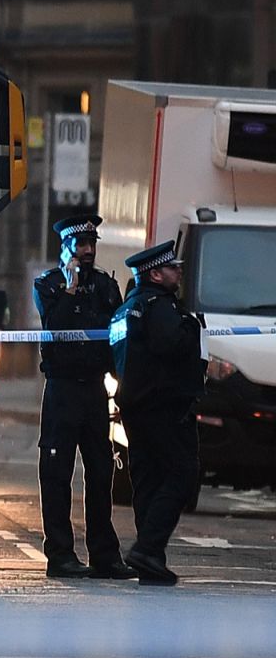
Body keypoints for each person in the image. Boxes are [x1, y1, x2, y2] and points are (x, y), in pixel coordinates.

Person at [32, 215, 134, 580]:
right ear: (66, 248)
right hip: (62, 390)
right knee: (57, 473)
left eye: (93, 244)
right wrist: (71, 288)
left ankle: (104, 556)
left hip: (94, 389)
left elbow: (118, 337)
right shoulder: (49, 285)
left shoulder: (106, 286)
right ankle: (60, 555)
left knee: (101, 471)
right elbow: (55, 328)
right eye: (82, 245)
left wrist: (122, 384)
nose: (89, 251)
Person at [109, 239, 206, 587]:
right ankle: (148, 549)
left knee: (148, 482)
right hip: (164, 407)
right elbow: (171, 345)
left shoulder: (125, 310)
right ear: (155, 273)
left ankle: (150, 561)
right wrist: (193, 328)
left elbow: (116, 358)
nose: (178, 272)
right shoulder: (161, 305)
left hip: (135, 408)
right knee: (182, 475)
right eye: (172, 268)